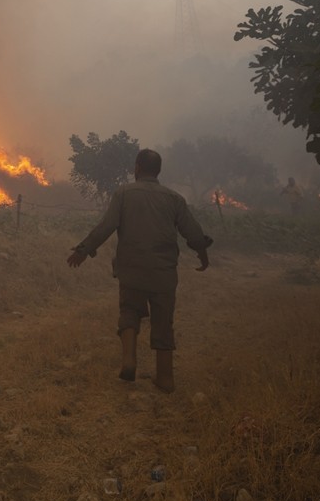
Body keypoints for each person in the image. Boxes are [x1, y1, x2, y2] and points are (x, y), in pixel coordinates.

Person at [66, 148, 212, 393]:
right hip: (163, 271)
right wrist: (203, 253)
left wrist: (83, 250)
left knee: (129, 311)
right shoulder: (174, 199)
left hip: (131, 268)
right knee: (163, 321)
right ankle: (165, 378)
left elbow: (106, 226)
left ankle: (129, 360)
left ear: (137, 167)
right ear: (158, 170)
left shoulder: (124, 193)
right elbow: (193, 232)